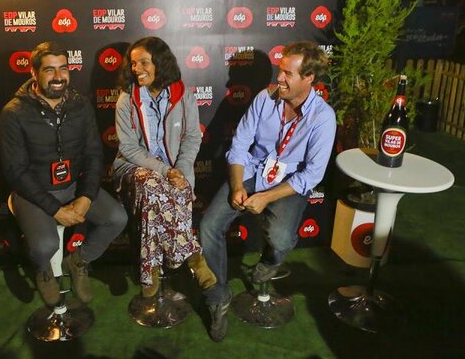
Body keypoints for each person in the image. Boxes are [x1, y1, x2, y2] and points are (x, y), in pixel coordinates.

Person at [200, 41, 336, 341]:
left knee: (282, 238)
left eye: (288, 74)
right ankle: (218, 297)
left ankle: (270, 262)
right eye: (279, 70)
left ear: (309, 78)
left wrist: (266, 197)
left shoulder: (323, 117)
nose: (280, 79)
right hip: (251, 173)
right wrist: (238, 185)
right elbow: (239, 145)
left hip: (288, 183)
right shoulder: (265, 98)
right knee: (209, 226)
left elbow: (312, 174)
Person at [0, 41, 127, 306]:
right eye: (49, 70)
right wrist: (55, 210)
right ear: (34, 73)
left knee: (116, 218)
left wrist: (86, 197)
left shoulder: (80, 105)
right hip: (33, 192)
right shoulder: (13, 112)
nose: (58, 77)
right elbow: (16, 171)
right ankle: (43, 270)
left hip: (73, 185)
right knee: (45, 246)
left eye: (63, 68)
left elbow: (94, 155)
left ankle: (78, 261)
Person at [113, 36, 216, 298]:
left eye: (143, 62)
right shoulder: (127, 99)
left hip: (174, 169)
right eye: (133, 63)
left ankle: (151, 269)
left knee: (165, 193)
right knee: (152, 184)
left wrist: (180, 170)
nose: (136, 69)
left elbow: (192, 138)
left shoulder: (183, 95)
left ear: (160, 63)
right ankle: (193, 257)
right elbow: (128, 148)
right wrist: (164, 171)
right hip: (132, 168)